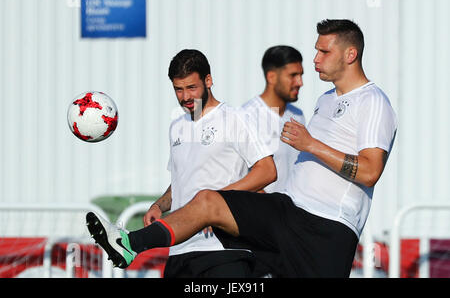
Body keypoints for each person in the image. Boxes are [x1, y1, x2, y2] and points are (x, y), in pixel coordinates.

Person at [86, 19, 397, 277]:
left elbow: (370, 171)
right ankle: (129, 243)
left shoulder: (373, 101)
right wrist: (166, 203)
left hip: (327, 229)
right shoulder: (326, 99)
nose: (315, 58)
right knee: (209, 201)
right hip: (288, 211)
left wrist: (310, 144)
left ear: (350, 54)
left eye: (323, 51)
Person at [87, 49, 276, 277]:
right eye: (178, 89)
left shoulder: (235, 118)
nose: (185, 97)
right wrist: (159, 205)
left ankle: (129, 241)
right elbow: (180, 181)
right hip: (179, 251)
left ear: (208, 81)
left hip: (222, 249)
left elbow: (267, 170)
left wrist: (216, 204)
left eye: (191, 88)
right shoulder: (177, 126)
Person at [241, 45, 305, 194]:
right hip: (265, 213)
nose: (300, 82)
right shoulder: (246, 116)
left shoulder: (297, 115)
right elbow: (241, 174)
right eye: (293, 75)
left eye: (301, 75)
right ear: (271, 77)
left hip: (295, 212)